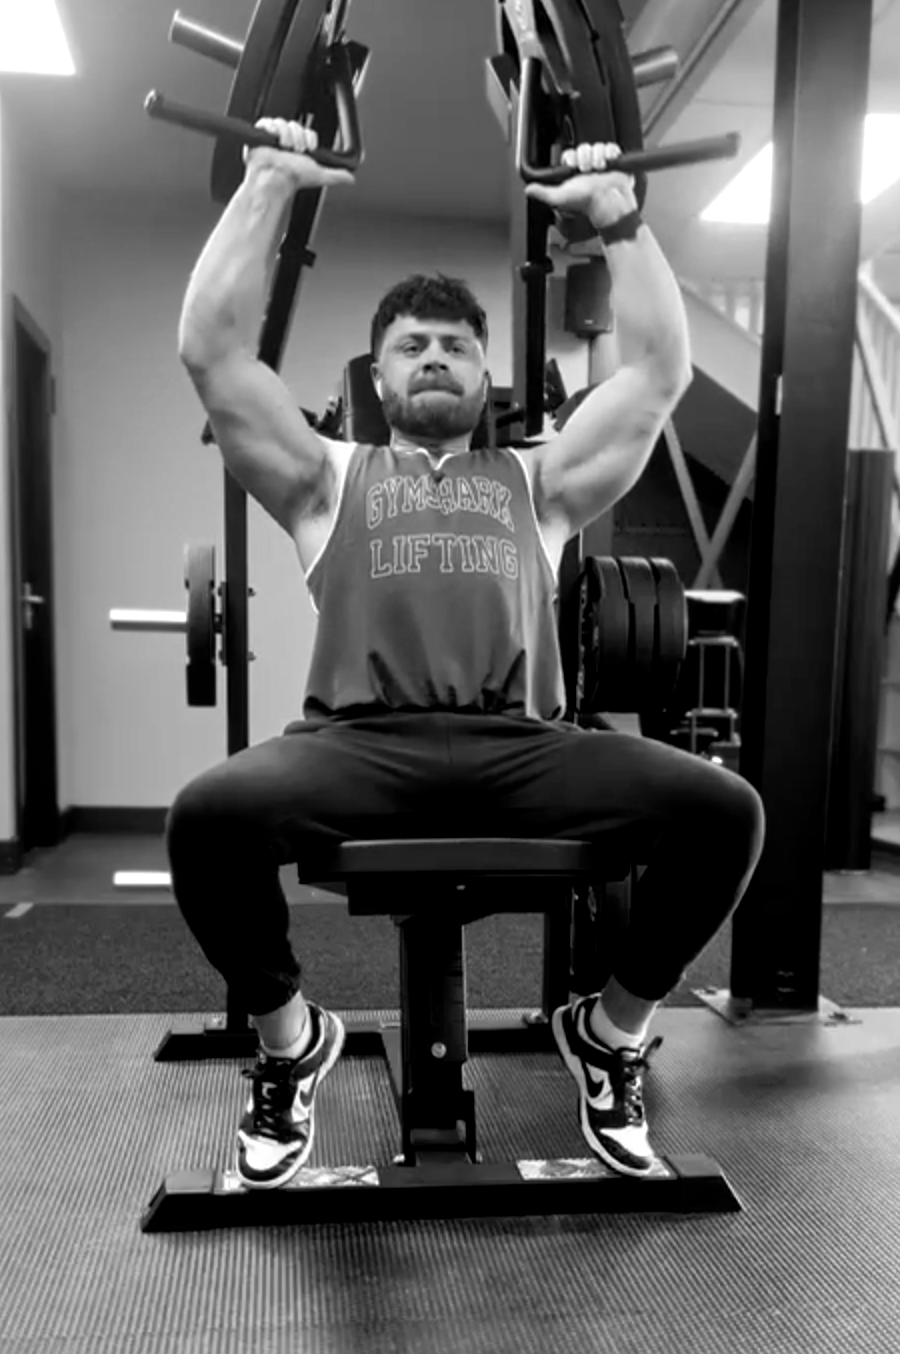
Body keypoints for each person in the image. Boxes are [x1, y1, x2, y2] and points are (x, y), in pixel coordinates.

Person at [169, 116, 765, 1192]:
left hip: (520, 747)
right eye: (412, 344)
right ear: (379, 373)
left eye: (455, 344)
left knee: (728, 810)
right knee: (207, 817)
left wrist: (620, 220)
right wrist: (267, 183)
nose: (434, 356)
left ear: (486, 374)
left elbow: (662, 371)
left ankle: (612, 1029)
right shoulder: (326, 476)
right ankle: (289, 1039)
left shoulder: (539, 481)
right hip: (362, 746)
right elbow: (211, 355)